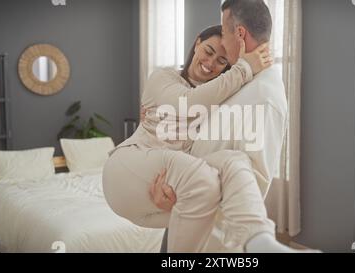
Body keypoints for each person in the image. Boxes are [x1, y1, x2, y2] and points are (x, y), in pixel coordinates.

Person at [149, 0, 322, 253]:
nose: (221, 39)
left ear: (239, 34)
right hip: (180, 214)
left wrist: (183, 202)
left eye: (224, 28)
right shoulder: (239, 80)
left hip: (205, 237)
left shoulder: (264, 96)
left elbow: (251, 182)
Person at [102, 24, 280, 252]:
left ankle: (261, 241)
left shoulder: (221, 96)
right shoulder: (163, 77)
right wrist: (244, 68)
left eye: (222, 61)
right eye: (208, 51)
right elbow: (189, 101)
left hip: (175, 183)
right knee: (203, 179)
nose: (210, 63)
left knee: (235, 162)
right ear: (197, 44)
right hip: (126, 170)